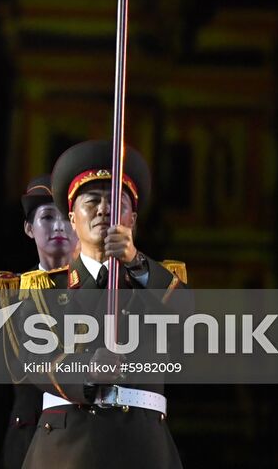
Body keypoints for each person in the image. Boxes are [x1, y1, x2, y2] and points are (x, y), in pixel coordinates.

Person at [13, 139, 190, 469]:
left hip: (142, 447)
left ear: (132, 219)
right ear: (72, 218)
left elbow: (189, 327)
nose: (104, 209)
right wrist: (87, 370)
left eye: (117, 202)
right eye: (91, 201)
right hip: (68, 448)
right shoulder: (45, 290)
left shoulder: (156, 282)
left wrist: (136, 262)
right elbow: (34, 360)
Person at [0, 174, 78, 468]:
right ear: (29, 229)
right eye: (46, 217)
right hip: (28, 447)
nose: (58, 226)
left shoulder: (107, 289)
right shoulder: (8, 295)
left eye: (67, 217)